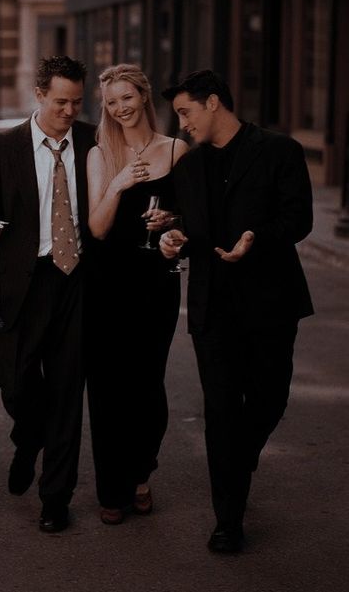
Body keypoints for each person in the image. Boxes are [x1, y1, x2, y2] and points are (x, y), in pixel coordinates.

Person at [160, 69, 313, 554]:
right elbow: (181, 227)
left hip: (270, 303)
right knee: (221, 413)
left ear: (213, 103)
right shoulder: (187, 168)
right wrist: (171, 238)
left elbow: (299, 219)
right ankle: (228, 520)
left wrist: (256, 238)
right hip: (213, 309)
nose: (181, 123)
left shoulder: (279, 151)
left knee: (270, 398)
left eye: (185, 112)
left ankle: (240, 456)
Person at [0, 55, 96, 534]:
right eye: (61, 101)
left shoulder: (93, 142)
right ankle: (29, 439)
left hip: (78, 280)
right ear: (40, 94)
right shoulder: (1, 148)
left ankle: (56, 498)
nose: (69, 111)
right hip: (22, 283)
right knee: (17, 383)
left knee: (68, 390)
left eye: (77, 102)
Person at [86, 64, 188, 525]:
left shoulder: (177, 150)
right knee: (108, 386)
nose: (120, 108)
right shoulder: (99, 154)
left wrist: (172, 223)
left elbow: (189, 218)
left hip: (156, 281)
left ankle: (141, 472)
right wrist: (120, 182)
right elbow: (98, 228)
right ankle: (112, 490)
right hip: (108, 283)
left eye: (127, 98)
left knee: (147, 384)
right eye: (111, 102)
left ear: (144, 97)